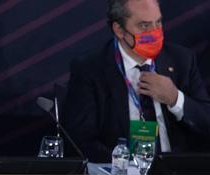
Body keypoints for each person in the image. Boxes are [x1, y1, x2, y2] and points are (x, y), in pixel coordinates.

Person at [62, 0, 210, 162]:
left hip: (175, 173)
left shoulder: (182, 60)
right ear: (119, 30)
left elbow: (206, 123)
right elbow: (80, 139)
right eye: (144, 26)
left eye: (158, 23)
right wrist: (124, 166)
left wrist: (175, 99)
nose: (155, 32)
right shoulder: (91, 68)